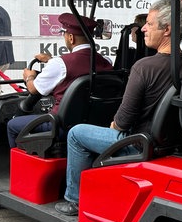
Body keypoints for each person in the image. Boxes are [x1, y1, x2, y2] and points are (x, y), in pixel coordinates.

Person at [54, 0, 182, 216]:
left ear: (167, 29)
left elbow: (122, 122)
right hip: (170, 142)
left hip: (138, 142)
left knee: (76, 133)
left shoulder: (143, 67)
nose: (143, 29)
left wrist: (114, 123)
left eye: (149, 24)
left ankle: (74, 199)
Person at [6, 13, 114, 148]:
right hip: (96, 124)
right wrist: (51, 60)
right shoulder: (106, 62)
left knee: (12, 125)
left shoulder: (60, 64)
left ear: (70, 37)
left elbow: (33, 89)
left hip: (61, 125)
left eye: (64, 34)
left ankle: (15, 168)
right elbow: (78, 68)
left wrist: (30, 76)